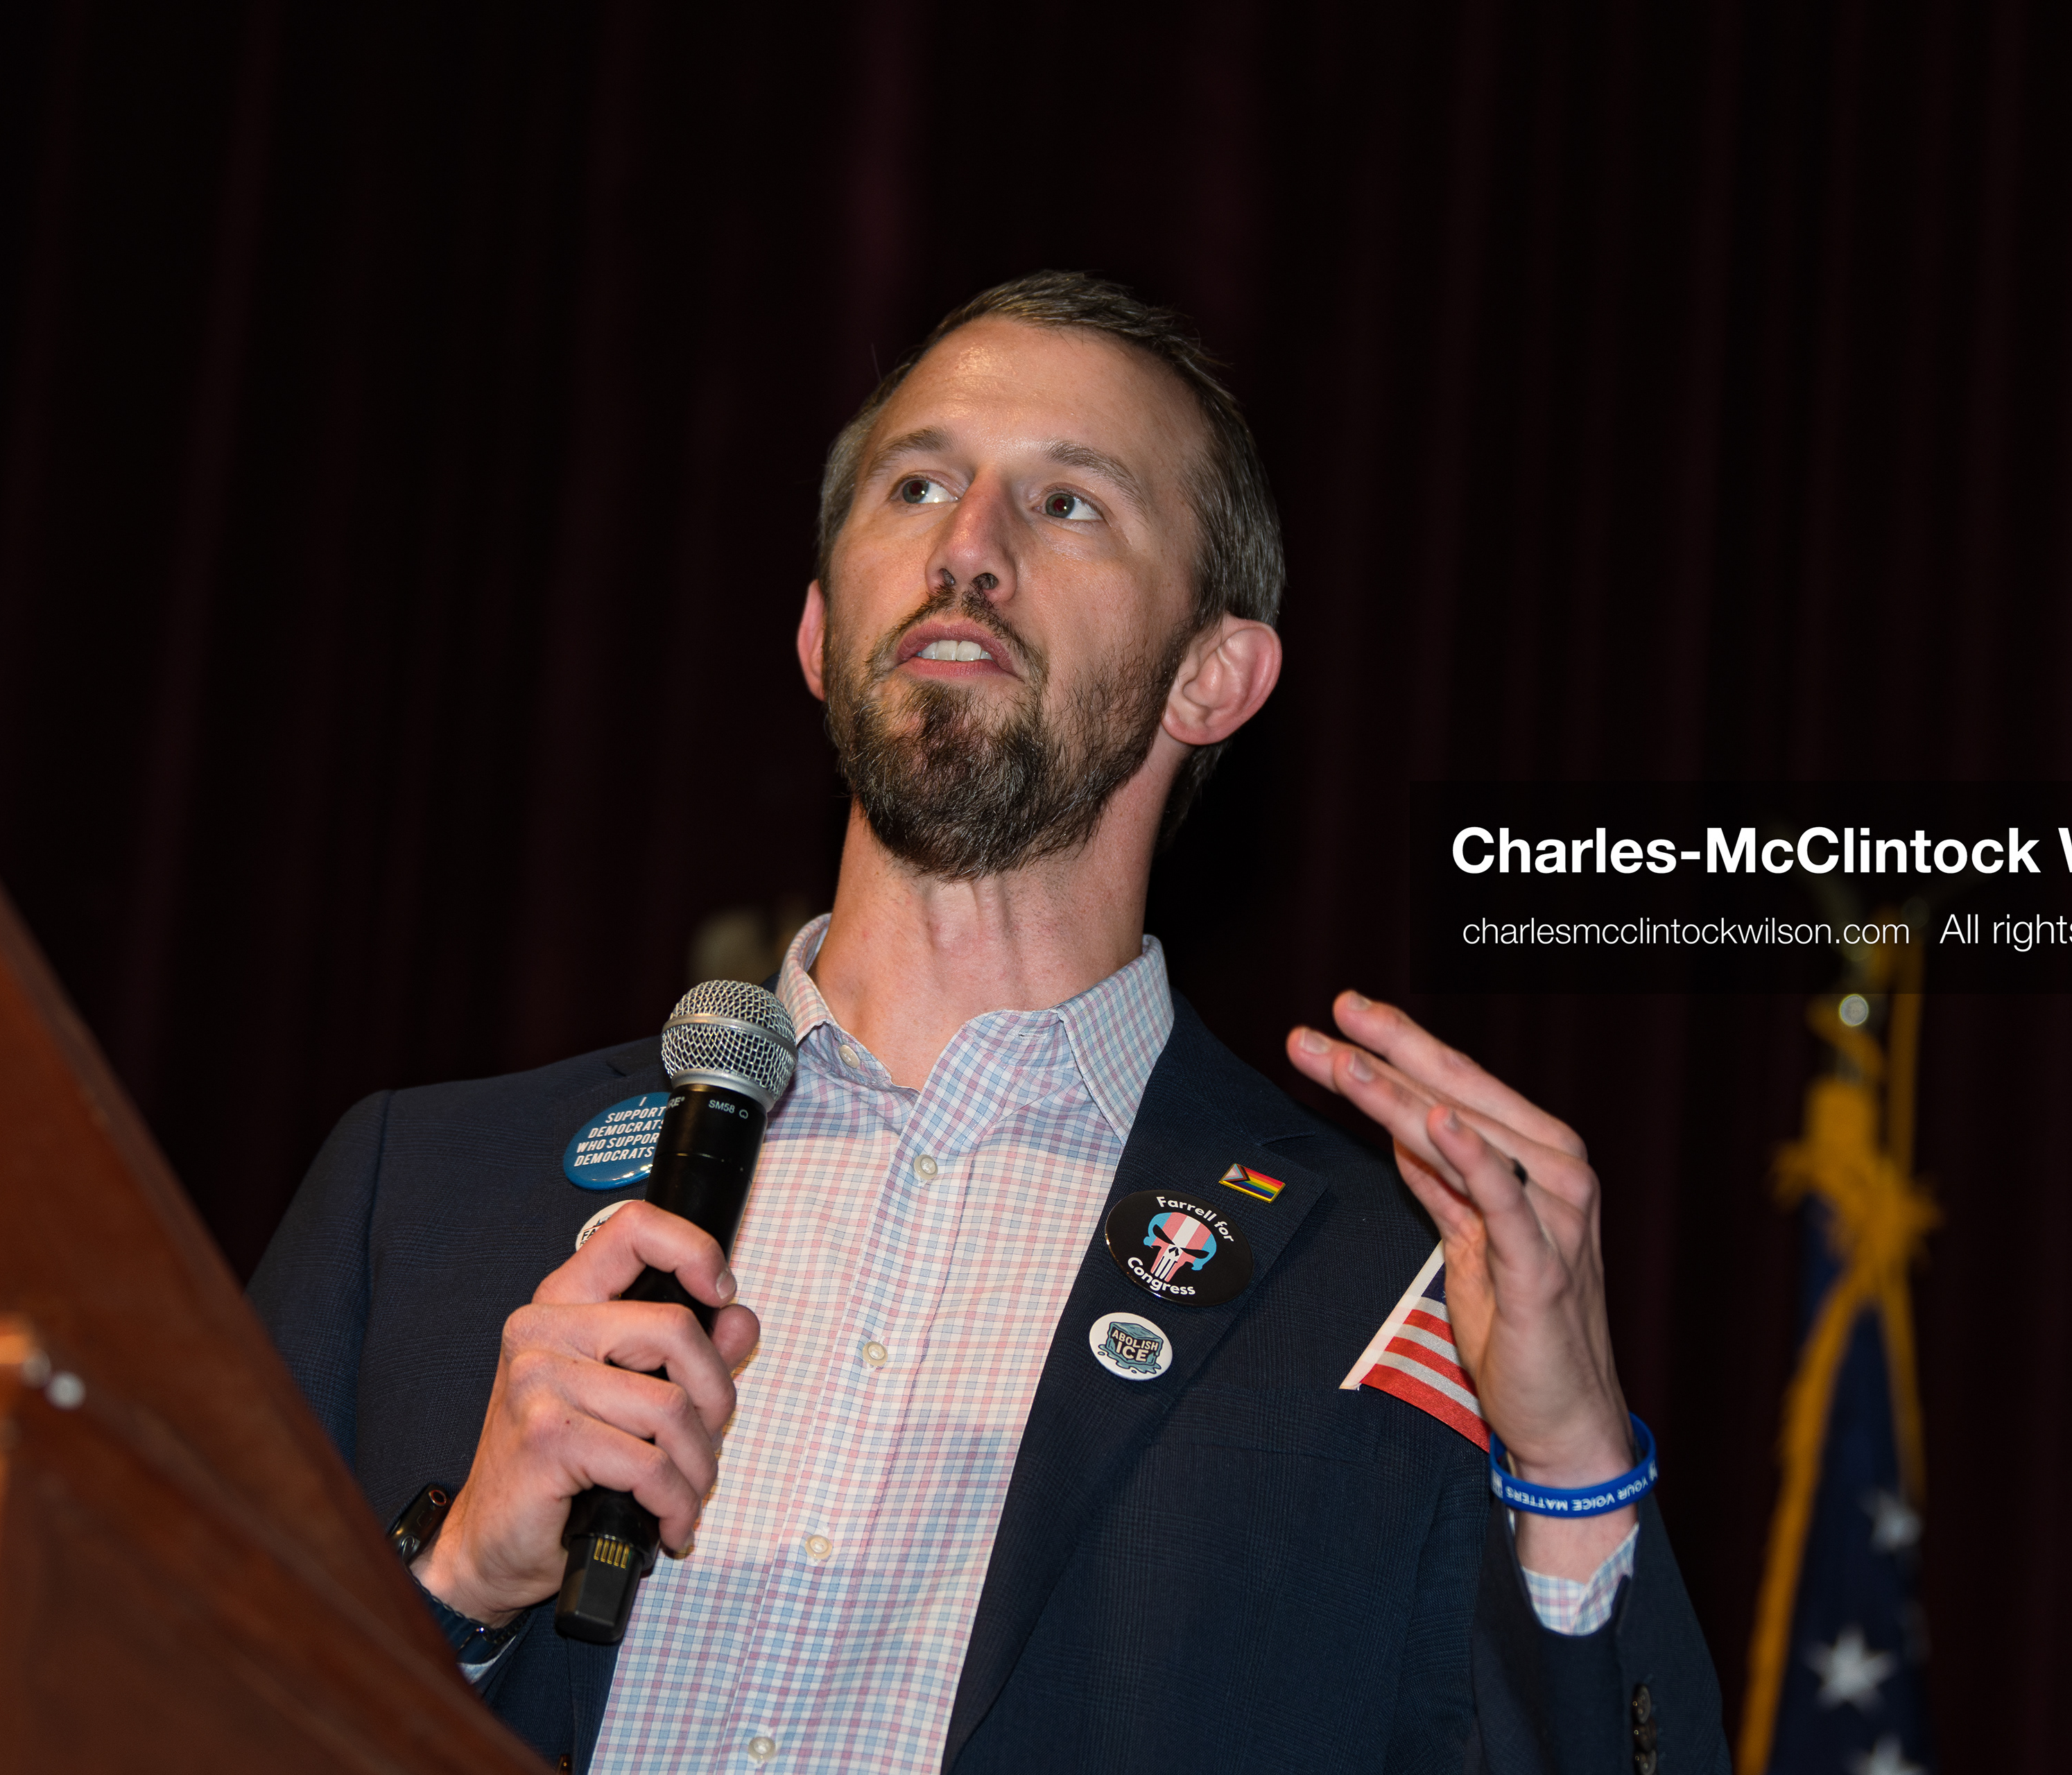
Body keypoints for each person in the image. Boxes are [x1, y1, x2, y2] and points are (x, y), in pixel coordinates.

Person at [251, 272, 1728, 1773]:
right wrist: (452, 1593)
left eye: (1070, 503)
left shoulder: (1388, 1298)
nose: (968, 548)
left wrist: (1571, 1470)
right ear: (824, 631)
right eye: (918, 483)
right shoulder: (418, 1194)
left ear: (1214, 675)